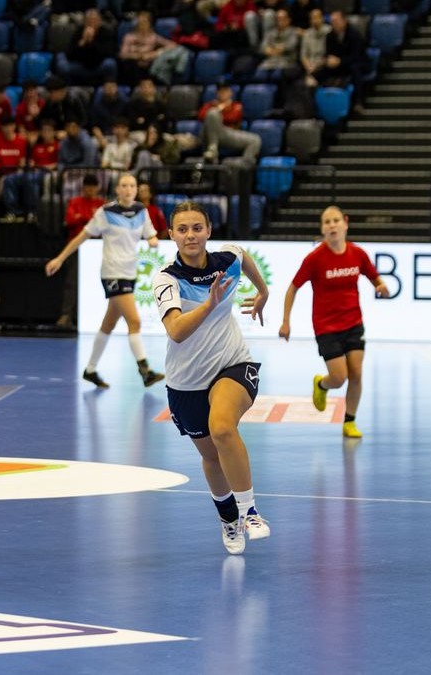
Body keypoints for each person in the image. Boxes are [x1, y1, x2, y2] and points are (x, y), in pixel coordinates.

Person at [152, 199, 270, 555]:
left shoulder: (226, 259)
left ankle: (249, 512)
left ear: (208, 231)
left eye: (197, 228)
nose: (190, 235)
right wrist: (210, 303)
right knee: (212, 457)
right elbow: (176, 331)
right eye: (182, 229)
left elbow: (243, 256)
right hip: (186, 382)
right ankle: (228, 518)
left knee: (222, 428)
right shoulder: (166, 279)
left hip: (232, 363)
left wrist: (263, 291)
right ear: (171, 235)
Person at [44, 172, 164, 388]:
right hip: (112, 273)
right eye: (124, 185)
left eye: (132, 185)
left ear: (137, 189)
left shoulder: (141, 211)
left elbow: (150, 234)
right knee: (134, 322)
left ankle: (90, 370)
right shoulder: (106, 212)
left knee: (108, 324)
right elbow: (82, 236)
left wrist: (153, 240)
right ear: (117, 189)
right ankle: (145, 371)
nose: (128, 189)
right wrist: (60, 258)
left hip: (130, 273)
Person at [278, 205, 388, 439]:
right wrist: (286, 321)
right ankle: (322, 385)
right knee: (339, 378)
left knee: (356, 374)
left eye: (336, 220)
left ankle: (349, 422)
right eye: (327, 222)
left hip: (354, 323)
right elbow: (292, 288)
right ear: (323, 229)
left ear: (345, 223)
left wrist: (381, 285)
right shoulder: (314, 259)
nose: (332, 225)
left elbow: (373, 276)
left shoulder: (357, 253)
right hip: (326, 327)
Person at [56, 174, 106, 328]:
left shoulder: (102, 204)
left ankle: (94, 317)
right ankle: (66, 315)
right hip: (76, 247)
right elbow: (70, 220)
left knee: (97, 283)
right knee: (72, 281)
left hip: (97, 248)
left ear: (97, 188)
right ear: (83, 187)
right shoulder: (75, 201)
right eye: (87, 186)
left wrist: (82, 217)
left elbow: (103, 225)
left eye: (93, 186)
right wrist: (89, 217)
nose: (90, 189)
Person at [197, 82, 262, 164]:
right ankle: (212, 149)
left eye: (225, 91)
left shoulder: (235, 106)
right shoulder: (210, 105)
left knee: (255, 140)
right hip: (208, 135)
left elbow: (233, 118)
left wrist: (221, 110)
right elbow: (201, 116)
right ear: (217, 93)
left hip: (226, 133)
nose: (223, 93)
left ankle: (242, 166)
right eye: (221, 91)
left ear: (230, 92)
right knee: (212, 113)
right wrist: (218, 109)